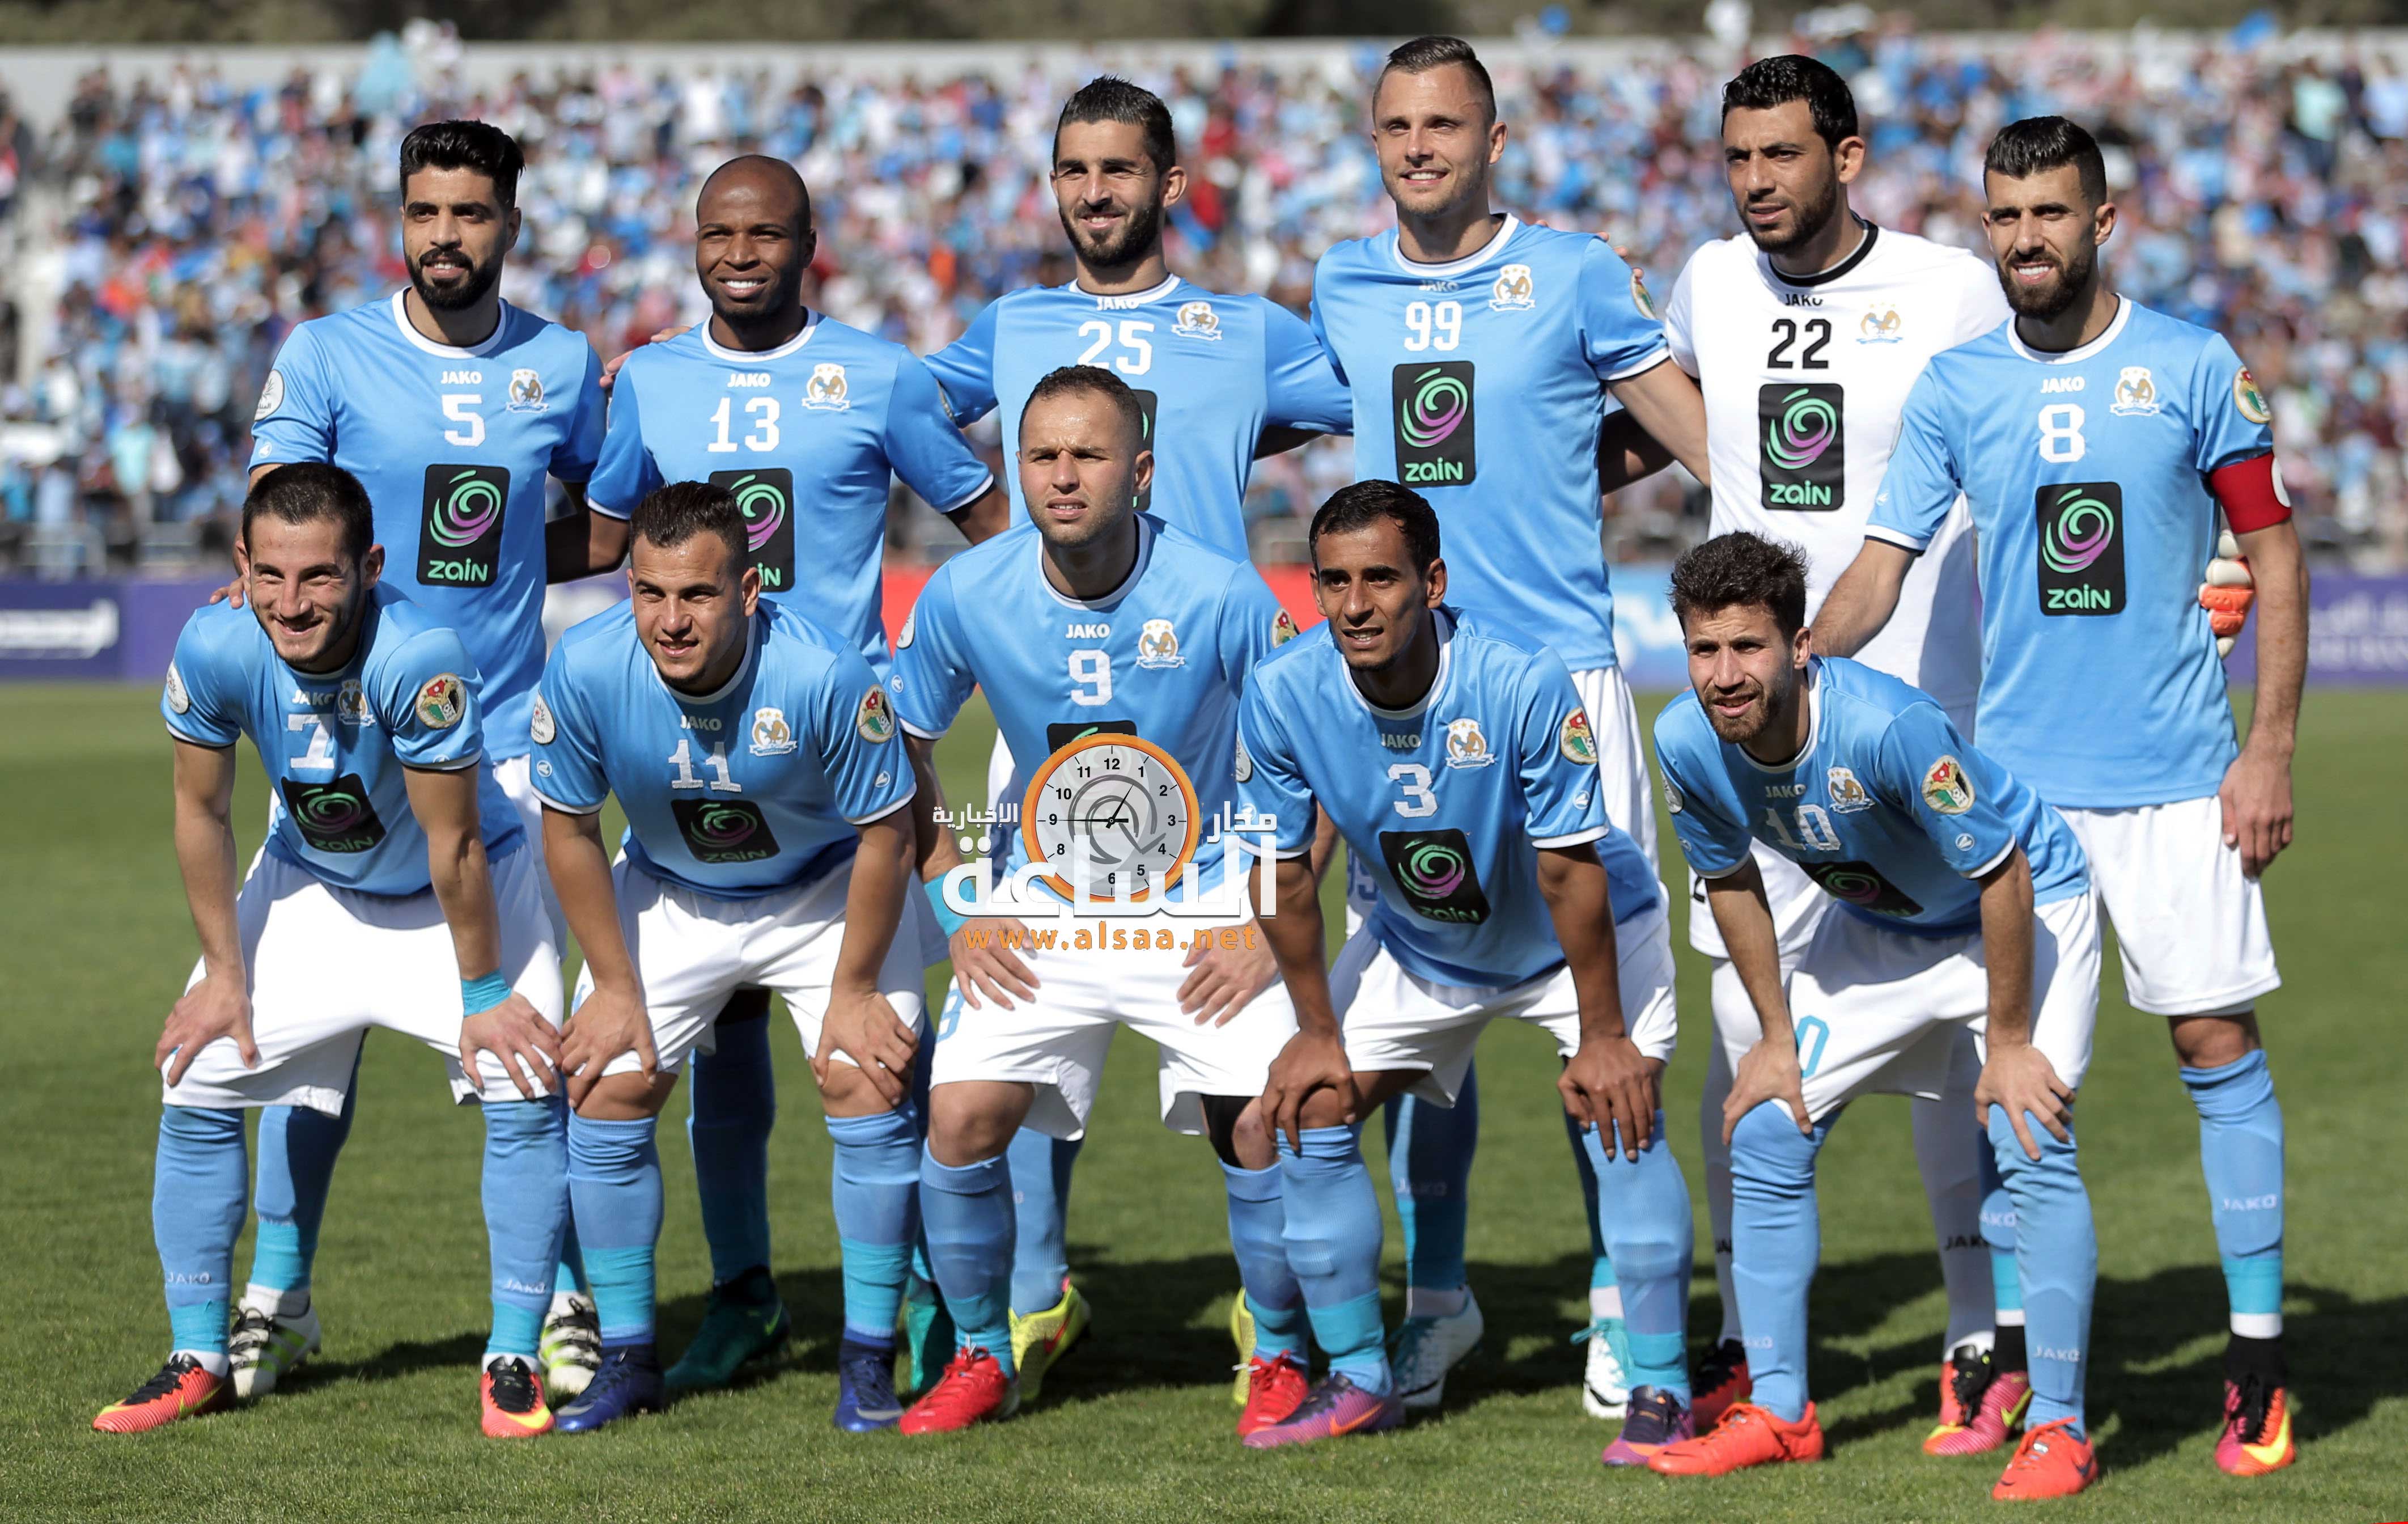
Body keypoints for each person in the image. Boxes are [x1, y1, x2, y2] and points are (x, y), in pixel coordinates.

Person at [1817, 116, 2308, 1478]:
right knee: (2017, 1087)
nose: (2027, 238)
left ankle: (2257, 1362)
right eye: (2006, 215)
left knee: (2213, 1040)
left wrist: (2268, 748)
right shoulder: (1958, 386)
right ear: (1988, 227)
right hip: (2022, 805)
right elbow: (1881, 567)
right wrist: (1798, 664)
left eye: (2050, 213)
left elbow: (2275, 557)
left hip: (2177, 784)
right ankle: (2031, 1375)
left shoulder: (2195, 367)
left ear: (2104, 222)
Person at [918, 72, 1348, 1408]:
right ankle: (1029, 1297)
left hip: (1212, 705)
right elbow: (896, 409)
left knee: (1247, 1075)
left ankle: (1282, 1323)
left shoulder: (1243, 329)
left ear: (1170, 184)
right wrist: (986, 521)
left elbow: (1389, 399)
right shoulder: (1013, 325)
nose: (1095, 192)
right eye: (1074, 169)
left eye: (1119, 169)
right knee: (1014, 1042)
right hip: (1048, 706)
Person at [1305, 32, 1710, 1414]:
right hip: (1408, 694)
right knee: (1426, 1012)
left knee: (1606, 1015)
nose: (1419, 148)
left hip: (1560, 681)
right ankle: (1441, 1304)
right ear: (1375, 142)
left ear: (1493, 141)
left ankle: (1621, 1306)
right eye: (1396, 127)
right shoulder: (1342, 282)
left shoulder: (1576, 272)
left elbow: (1695, 433)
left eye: (1444, 126)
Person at [584, 153, 1007, 1396]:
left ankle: (917, 1294)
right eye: (718, 235)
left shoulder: (881, 374)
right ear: (693, 244)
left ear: (809, 243)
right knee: (719, 1057)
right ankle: (746, 1296)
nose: (740, 255)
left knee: (877, 1058)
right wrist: (387, 558)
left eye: (765, 234)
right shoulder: (650, 379)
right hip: (699, 774)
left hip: (846, 773)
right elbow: (604, 540)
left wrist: (930, 673)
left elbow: (992, 532)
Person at [1645, 55, 2020, 1446]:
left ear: (1846, 158)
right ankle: (1752, 1343)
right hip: (1758, 733)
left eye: (1783, 155)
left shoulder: (1950, 289)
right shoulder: (1709, 282)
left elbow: (2032, 441)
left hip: (1912, 720)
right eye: (1738, 157)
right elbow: (1676, 426)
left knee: (1952, 1052)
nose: (1757, 182)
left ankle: (1981, 1335)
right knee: (1744, 1039)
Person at [236, 119, 611, 1403]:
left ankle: (559, 1298)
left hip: (501, 751)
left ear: (511, 223)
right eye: (424, 211)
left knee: (529, 1049)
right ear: (401, 218)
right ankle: (277, 1298)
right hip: (340, 742)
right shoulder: (326, 352)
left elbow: (604, 519)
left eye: (470, 212)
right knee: (307, 1047)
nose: (445, 235)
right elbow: (277, 522)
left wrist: (506, 568)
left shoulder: (561, 363)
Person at [96, 464, 568, 1440]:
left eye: (318, 576)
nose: (291, 602)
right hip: (312, 881)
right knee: (196, 1072)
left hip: (455, 895)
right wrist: (225, 976)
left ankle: (515, 1356)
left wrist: (484, 991)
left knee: (524, 1085)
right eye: (269, 575)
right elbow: (200, 810)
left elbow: (455, 843)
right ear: (240, 564)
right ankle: (198, 1357)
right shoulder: (216, 642)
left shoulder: (419, 658)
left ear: (370, 567)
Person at [888, 366, 1306, 1437]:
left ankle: (1280, 1348)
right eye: (1041, 456)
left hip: (1202, 902)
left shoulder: (1219, 593)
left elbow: (1323, 742)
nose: (1062, 477)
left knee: (1263, 1124)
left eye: (1088, 455)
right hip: (1044, 903)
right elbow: (899, 749)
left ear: (1143, 471)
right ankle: (982, 1354)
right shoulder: (967, 592)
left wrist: (1268, 923)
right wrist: (957, 903)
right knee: (960, 1118)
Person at [1646, 531, 2102, 1501]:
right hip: (1883, 923)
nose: (1725, 675)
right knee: (1767, 1125)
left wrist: (2008, 1044)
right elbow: (1729, 879)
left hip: (2019, 906)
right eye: (1703, 650)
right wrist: (1775, 1040)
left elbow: (2003, 871)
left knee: (2028, 1132)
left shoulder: (1890, 728)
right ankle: (1781, 1413)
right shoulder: (1684, 738)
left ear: (1800, 645)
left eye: (1748, 647)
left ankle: (2062, 1427)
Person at [1238, 480, 1691, 1455]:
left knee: (1618, 1106)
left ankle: (1661, 1384)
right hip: (1422, 940)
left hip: (1576, 941)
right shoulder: (1282, 690)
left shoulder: (1519, 680)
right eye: (1335, 582)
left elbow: (1569, 868)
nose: (1356, 605)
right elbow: (1280, 873)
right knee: (1311, 1107)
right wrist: (1314, 1032)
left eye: (1381, 579)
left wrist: (1604, 1034)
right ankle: (1359, 1377)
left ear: (1433, 583)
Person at [529, 481, 925, 1433]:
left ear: (748, 591)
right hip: (672, 891)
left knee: (865, 1078)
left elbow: (889, 834)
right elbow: (570, 828)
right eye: (650, 593)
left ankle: (869, 1359)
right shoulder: (584, 665)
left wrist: (855, 988)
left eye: (698, 595)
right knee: (607, 1084)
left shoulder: (825, 673)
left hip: (824, 891)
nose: (671, 621)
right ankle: (628, 1360)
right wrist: (613, 986)